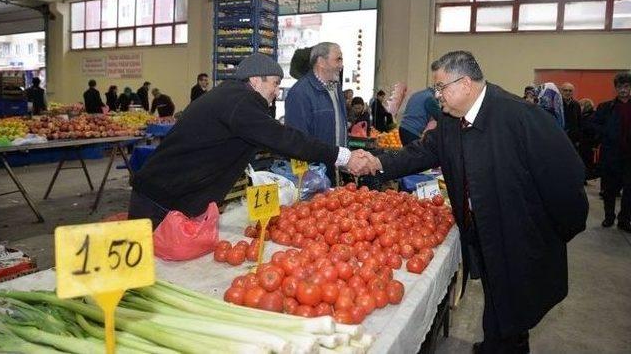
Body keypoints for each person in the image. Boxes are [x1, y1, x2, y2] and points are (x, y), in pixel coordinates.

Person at [350, 51, 588, 354]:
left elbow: (566, 182)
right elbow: (420, 153)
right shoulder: (451, 122)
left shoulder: (520, 117)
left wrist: (553, 235)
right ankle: (494, 344)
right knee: (497, 296)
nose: (436, 97)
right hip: (483, 233)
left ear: (464, 84)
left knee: (516, 309)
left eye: (440, 88)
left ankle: (507, 346)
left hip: (520, 239)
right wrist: (376, 162)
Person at [129, 54, 363, 228]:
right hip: (161, 200)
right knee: (147, 274)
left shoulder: (234, 97)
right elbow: (284, 138)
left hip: (173, 195)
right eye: (274, 83)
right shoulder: (239, 102)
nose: (276, 91)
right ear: (255, 80)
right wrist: (343, 156)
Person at [285, 42, 347, 185]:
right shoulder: (299, 93)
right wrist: (307, 179)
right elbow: (297, 142)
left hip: (334, 167)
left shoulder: (336, 89)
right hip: (313, 174)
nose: (341, 65)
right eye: (338, 59)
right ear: (321, 62)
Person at [591, 72, 631, 232]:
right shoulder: (605, 107)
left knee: (629, 190)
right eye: (620, 87)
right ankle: (609, 217)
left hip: (630, 157)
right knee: (609, 189)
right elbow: (591, 124)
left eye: (626, 86)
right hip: (611, 155)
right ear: (616, 88)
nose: (623, 90)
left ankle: (624, 219)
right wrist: (606, 131)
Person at [578, 98, 599, 182]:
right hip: (585, 142)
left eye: (581, 105)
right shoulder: (589, 115)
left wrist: (595, 144)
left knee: (586, 161)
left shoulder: (591, 117)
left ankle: (585, 177)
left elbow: (594, 131)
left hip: (588, 143)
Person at [561, 82, 582, 149]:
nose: (568, 92)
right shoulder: (556, 104)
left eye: (570, 91)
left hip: (572, 139)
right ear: (561, 91)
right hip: (560, 136)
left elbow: (579, 122)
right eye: (565, 90)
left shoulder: (576, 105)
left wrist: (578, 139)